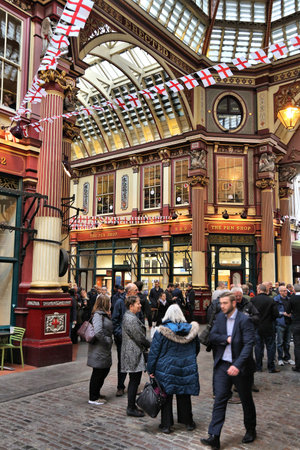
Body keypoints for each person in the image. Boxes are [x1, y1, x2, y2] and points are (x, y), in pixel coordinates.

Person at [201, 294, 256, 449]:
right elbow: (212, 336)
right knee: (219, 399)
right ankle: (214, 436)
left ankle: (251, 429)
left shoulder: (244, 320)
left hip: (241, 367)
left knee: (246, 399)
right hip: (222, 366)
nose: (222, 306)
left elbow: (248, 345)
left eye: (225, 303)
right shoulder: (219, 317)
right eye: (221, 303)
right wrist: (226, 339)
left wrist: (237, 365)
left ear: (234, 303)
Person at [147, 304, 200, 434]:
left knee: (166, 396)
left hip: (166, 368)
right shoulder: (191, 331)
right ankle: (188, 422)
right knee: (184, 394)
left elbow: (154, 353)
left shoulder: (162, 331)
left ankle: (166, 424)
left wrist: (151, 370)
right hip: (185, 367)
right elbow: (196, 349)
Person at [121, 295, 150, 417]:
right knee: (134, 380)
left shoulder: (131, 316)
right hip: (132, 353)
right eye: (138, 303)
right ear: (131, 306)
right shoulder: (130, 318)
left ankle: (132, 405)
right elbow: (138, 336)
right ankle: (131, 407)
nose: (140, 305)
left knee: (135, 380)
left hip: (133, 351)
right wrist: (150, 344)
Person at [87, 294, 113, 405]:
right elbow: (98, 332)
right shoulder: (98, 315)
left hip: (103, 349)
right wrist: (108, 340)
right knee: (98, 372)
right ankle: (93, 397)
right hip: (99, 348)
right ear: (105, 303)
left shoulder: (104, 314)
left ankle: (96, 393)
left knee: (103, 370)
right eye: (109, 302)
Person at [252, 284, 279, 373]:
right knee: (270, 347)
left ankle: (258, 367)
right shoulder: (271, 300)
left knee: (258, 347)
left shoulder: (253, 300)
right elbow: (276, 314)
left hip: (257, 326)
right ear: (266, 290)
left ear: (259, 290)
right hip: (268, 326)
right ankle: (271, 367)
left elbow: (251, 314)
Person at [112, 288, 127, 397]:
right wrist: (119, 334)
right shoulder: (120, 302)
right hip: (122, 338)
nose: (137, 292)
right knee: (122, 362)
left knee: (134, 362)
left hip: (133, 339)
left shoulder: (136, 302)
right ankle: (120, 386)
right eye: (135, 290)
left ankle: (133, 386)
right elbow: (115, 320)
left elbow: (140, 318)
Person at [274, 286, 294, 366]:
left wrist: (291, 313)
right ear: (280, 292)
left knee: (287, 342)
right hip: (280, 323)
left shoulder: (289, 299)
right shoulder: (276, 300)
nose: (286, 292)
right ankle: (280, 358)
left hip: (289, 322)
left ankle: (287, 357)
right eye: (284, 291)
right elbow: (274, 312)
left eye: (286, 290)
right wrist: (283, 313)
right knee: (280, 342)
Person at [287, 284, 300, 372]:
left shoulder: (292, 298)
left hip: (296, 323)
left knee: (297, 346)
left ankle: (298, 366)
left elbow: (288, 311)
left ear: (294, 290)